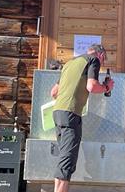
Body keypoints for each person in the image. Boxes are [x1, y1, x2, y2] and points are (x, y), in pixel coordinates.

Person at [49, 43, 114, 192]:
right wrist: (107, 87)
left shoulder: (70, 63)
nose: (101, 63)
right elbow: (91, 86)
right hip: (71, 114)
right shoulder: (93, 60)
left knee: (63, 159)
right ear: (101, 55)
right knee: (68, 163)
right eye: (103, 60)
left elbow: (53, 92)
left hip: (57, 113)